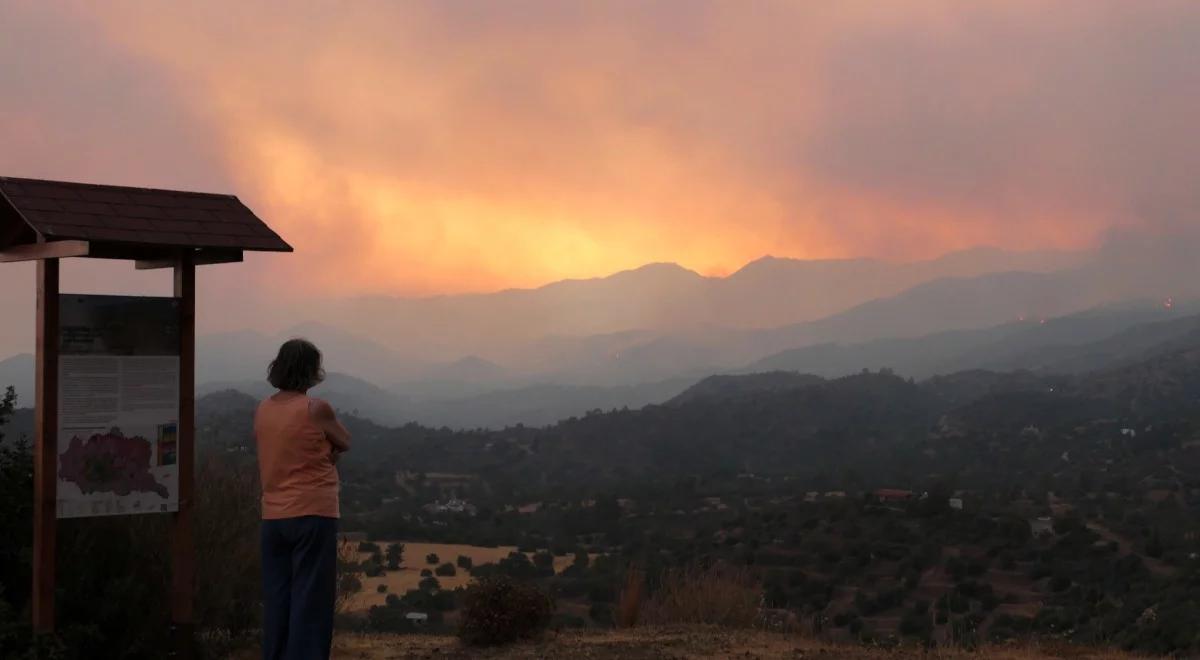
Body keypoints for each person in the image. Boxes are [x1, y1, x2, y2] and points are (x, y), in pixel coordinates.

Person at [254, 339, 350, 660]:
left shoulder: (263, 408)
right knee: (310, 600)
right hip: (313, 514)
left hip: (273, 516)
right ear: (311, 371)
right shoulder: (316, 408)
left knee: (278, 599)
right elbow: (345, 440)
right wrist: (327, 452)